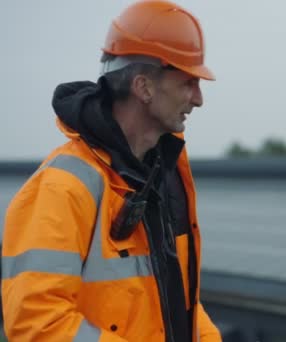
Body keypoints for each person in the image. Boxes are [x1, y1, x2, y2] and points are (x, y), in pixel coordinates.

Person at [1, 1, 222, 341]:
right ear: (143, 87)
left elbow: (177, 297)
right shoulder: (62, 187)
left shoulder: (165, 177)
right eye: (188, 82)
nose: (198, 99)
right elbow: (38, 325)